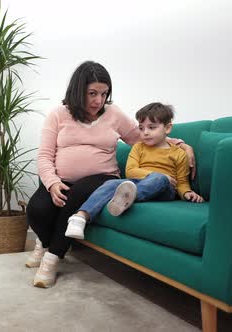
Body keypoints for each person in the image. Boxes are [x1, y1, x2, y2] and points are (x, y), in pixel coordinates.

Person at [26, 61, 195, 288]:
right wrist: (53, 183)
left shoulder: (113, 114)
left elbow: (143, 137)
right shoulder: (58, 114)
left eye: (104, 93)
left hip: (102, 177)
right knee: (37, 209)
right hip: (62, 179)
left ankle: (52, 258)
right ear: (78, 91)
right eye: (92, 93)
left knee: (76, 197)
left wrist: (181, 144)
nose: (99, 100)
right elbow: (45, 155)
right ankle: (44, 243)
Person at [65, 102, 204, 240]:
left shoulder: (179, 154)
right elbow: (131, 171)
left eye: (151, 127)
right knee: (111, 183)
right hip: (138, 183)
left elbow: (181, 182)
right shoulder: (138, 148)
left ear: (167, 128)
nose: (145, 133)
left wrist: (187, 193)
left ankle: (126, 197)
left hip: (165, 189)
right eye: (141, 128)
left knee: (158, 178)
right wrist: (152, 175)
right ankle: (80, 217)